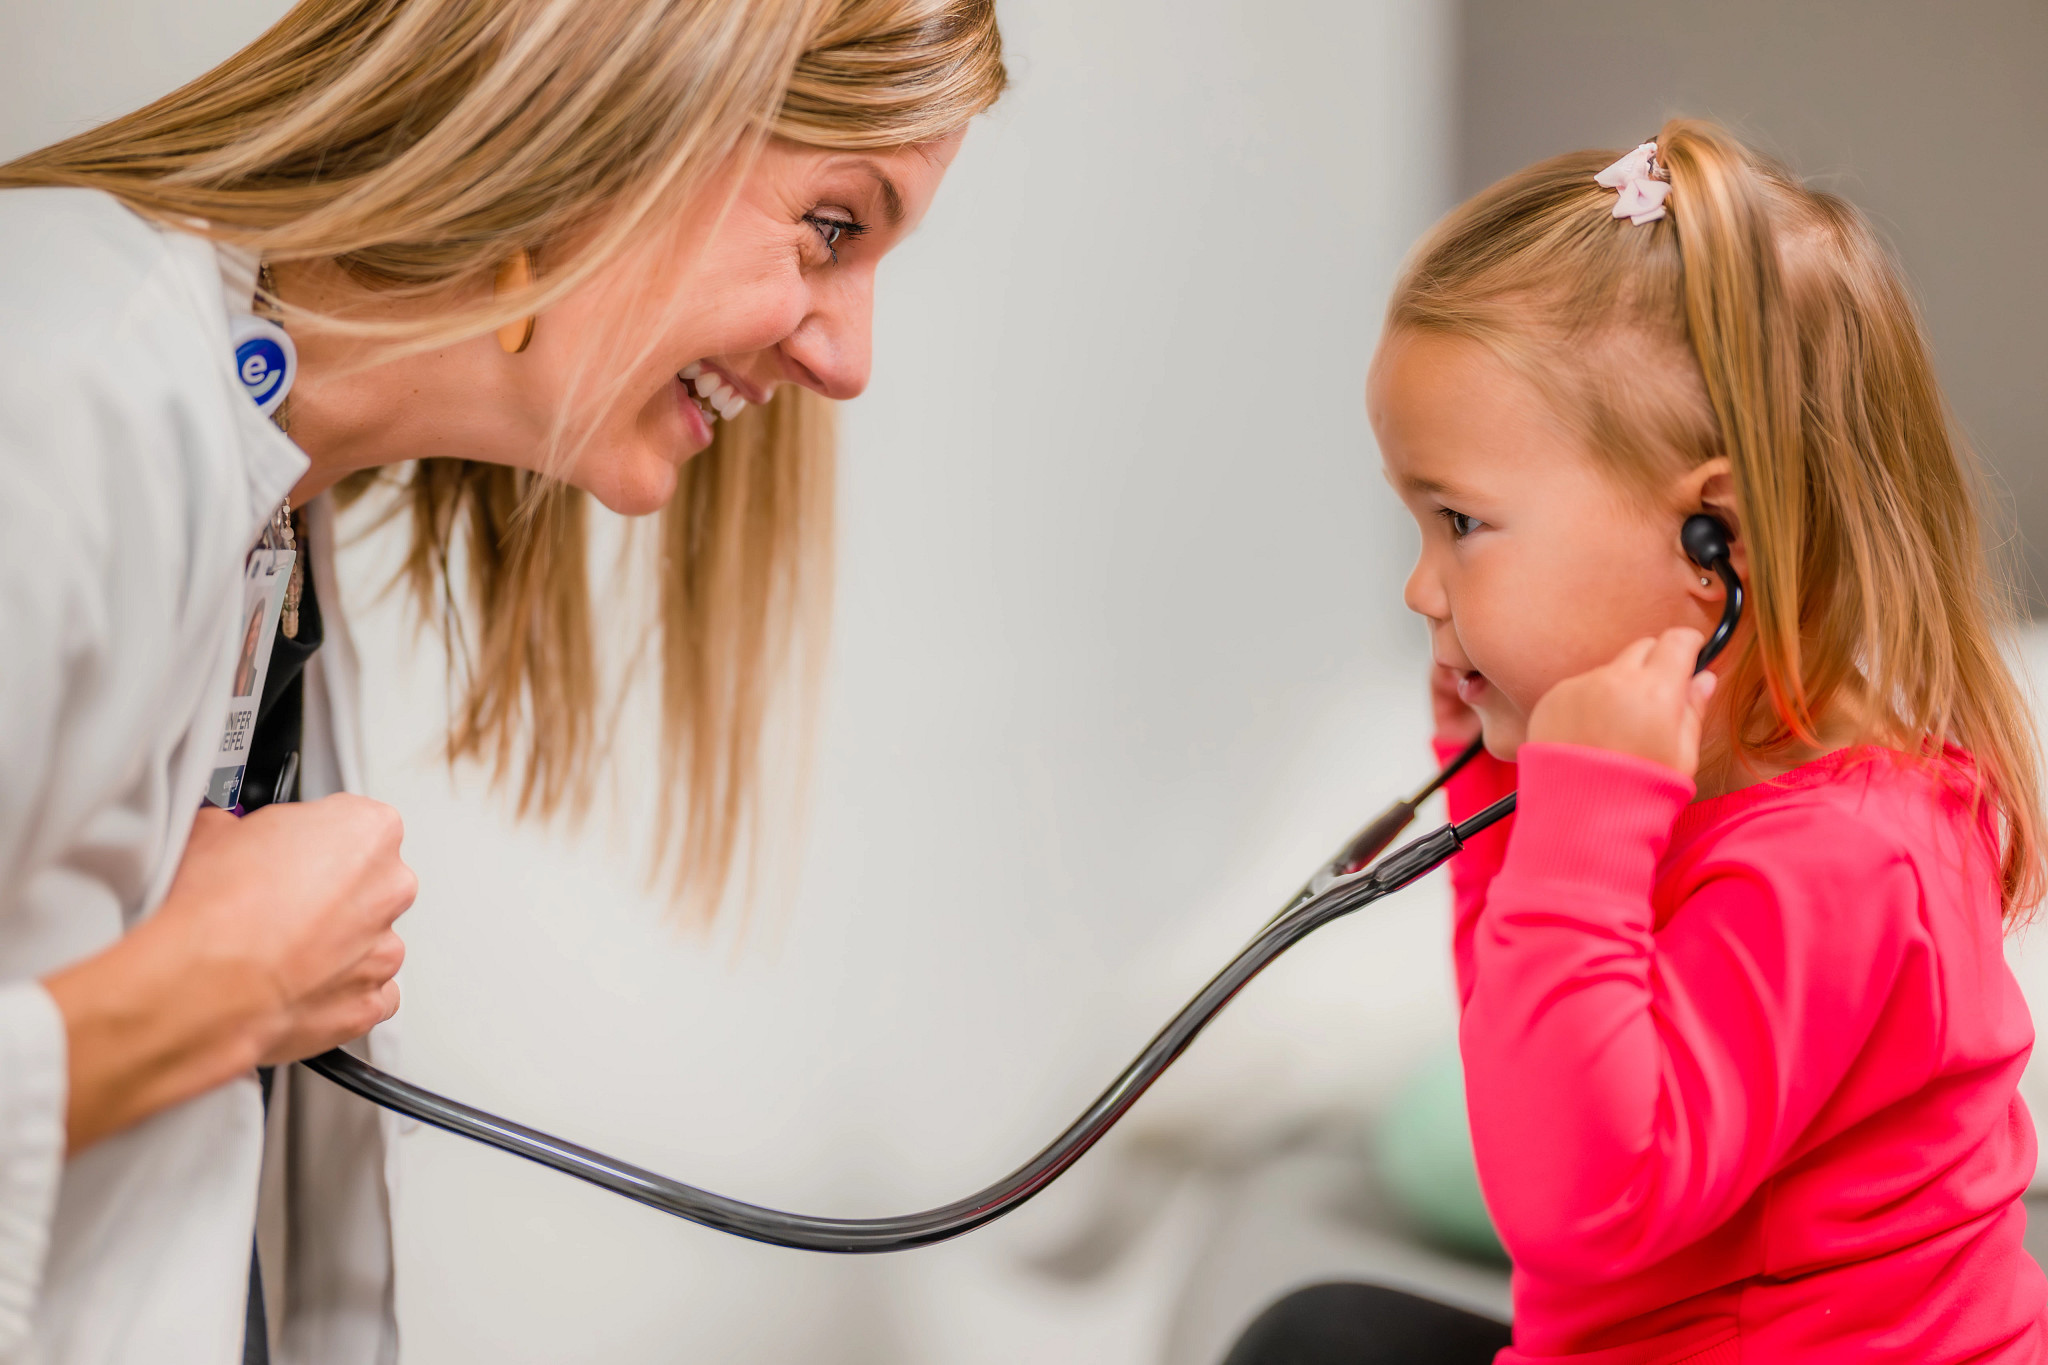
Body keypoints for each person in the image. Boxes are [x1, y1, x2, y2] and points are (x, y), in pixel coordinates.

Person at [0, 1, 1004, 1359]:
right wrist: (206, 988)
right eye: (834, 225)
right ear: (618, 94)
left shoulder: (272, 516)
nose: (847, 362)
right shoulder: (56, 388)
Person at [1228, 118, 2048, 1362]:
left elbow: (1574, 1202)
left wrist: (1572, 827)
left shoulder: (1843, 862)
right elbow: (1533, 1076)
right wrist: (1507, 803)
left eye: (1459, 521)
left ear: (1706, 544)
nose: (1420, 591)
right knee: (1320, 1331)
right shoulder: (1696, 798)